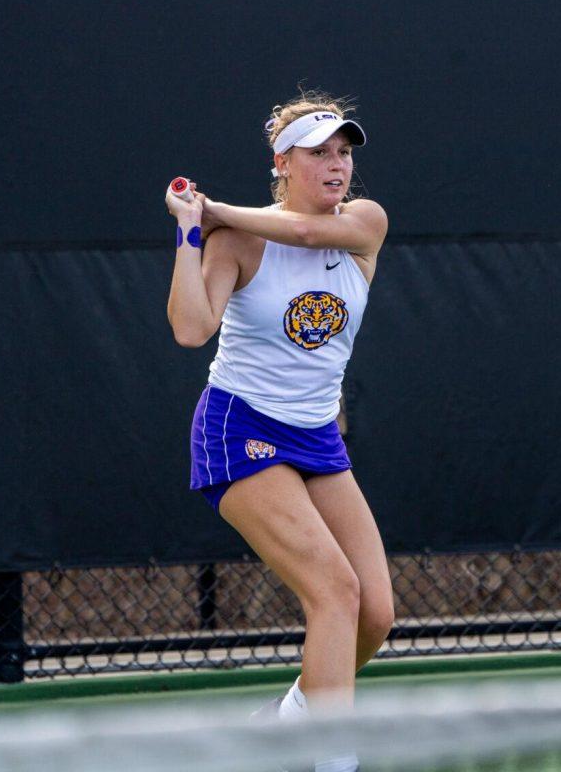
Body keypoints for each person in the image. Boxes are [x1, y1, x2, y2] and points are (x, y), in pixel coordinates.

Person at [164, 91, 393, 744]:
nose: (337, 165)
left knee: (375, 614)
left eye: (343, 152)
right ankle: (332, 762)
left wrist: (213, 209)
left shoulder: (364, 225)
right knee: (335, 594)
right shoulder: (236, 242)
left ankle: (282, 726)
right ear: (283, 162)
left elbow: (305, 232)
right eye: (319, 152)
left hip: (317, 436)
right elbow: (190, 329)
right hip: (241, 431)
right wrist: (190, 231)